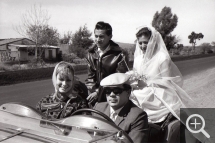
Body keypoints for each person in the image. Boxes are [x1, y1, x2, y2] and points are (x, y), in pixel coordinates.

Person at [127, 26, 203, 142]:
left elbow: (167, 82)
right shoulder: (138, 59)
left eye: (146, 43)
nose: (143, 46)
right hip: (143, 91)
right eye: (140, 43)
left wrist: (146, 83)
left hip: (160, 93)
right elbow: (137, 76)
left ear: (152, 41)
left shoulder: (162, 57)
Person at [94, 73, 149, 143]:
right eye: (107, 91)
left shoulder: (138, 116)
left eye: (117, 91)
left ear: (128, 92)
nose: (112, 95)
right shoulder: (98, 107)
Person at [85, 21, 129, 105]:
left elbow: (118, 80)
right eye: (96, 36)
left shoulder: (120, 54)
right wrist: (93, 93)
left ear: (110, 36)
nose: (98, 40)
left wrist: (98, 93)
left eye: (101, 36)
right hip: (94, 98)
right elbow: (90, 78)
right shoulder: (90, 54)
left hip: (114, 97)